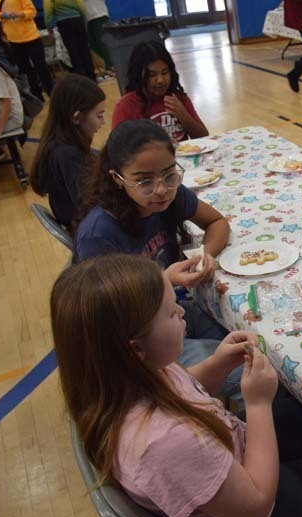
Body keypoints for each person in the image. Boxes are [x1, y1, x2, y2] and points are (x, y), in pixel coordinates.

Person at [51, 254, 302, 517]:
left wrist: (217, 363)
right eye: (172, 312)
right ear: (136, 349)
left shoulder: (130, 374)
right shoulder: (163, 443)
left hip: (230, 454)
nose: (182, 312)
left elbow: (185, 388)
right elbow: (257, 502)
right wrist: (258, 403)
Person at [73, 119, 234, 392]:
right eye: (144, 181)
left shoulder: (170, 194)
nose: (160, 189)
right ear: (117, 179)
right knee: (243, 367)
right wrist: (163, 280)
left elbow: (218, 222)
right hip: (140, 345)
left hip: (175, 312)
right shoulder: (98, 235)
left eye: (169, 174)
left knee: (250, 343)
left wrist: (206, 254)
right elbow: (108, 316)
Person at [30, 74, 105, 228]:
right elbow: (89, 205)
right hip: (89, 230)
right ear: (77, 117)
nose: (103, 122)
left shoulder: (57, 144)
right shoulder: (67, 155)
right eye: (99, 116)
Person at [112, 40, 209, 142]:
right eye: (152, 75)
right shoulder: (126, 105)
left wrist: (183, 115)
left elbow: (204, 138)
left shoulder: (178, 98)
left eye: (165, 72)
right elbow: (116, 149)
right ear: (138, 75)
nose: (160, 80)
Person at [0, 0, 53, 100]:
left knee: (41, 65)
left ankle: (51, 92)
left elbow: (32, 11)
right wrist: (2, 15)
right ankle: (36, 96)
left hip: (31, 35)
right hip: (12, 39)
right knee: (25, 69)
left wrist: (20, 14)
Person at [44, 0, 96, 80]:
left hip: (64, 23)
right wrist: (83, 19)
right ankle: (92, 76)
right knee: (85, 50)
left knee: (73, 52)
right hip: (77, 20)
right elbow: (81, 5)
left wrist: (49, 28)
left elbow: (48, 12)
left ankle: (82, 78)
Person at [83, 0, 114, 81]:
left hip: (99, 15)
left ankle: (110, 68)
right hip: (89, 18)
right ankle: (104, 69)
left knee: (103, 44)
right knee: (94, 46)